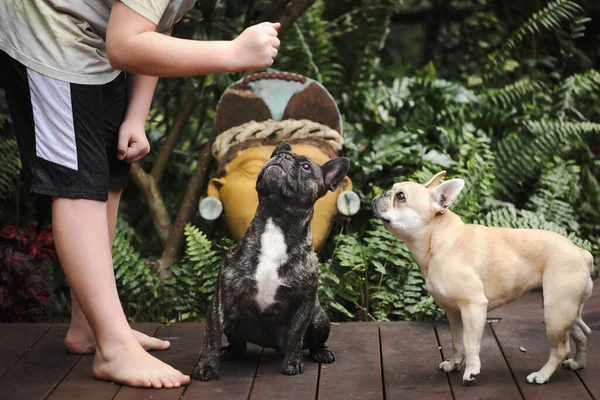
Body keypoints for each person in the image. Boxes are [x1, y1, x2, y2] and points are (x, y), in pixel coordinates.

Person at [0, 0, 280, 389]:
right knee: (78, 182)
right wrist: (232, 52)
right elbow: (126, 45)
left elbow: (154, 22)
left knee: (109, 172)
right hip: (49, 29)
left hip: (95, 35)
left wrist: (136, 115)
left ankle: (88, 328)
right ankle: (113, 347)